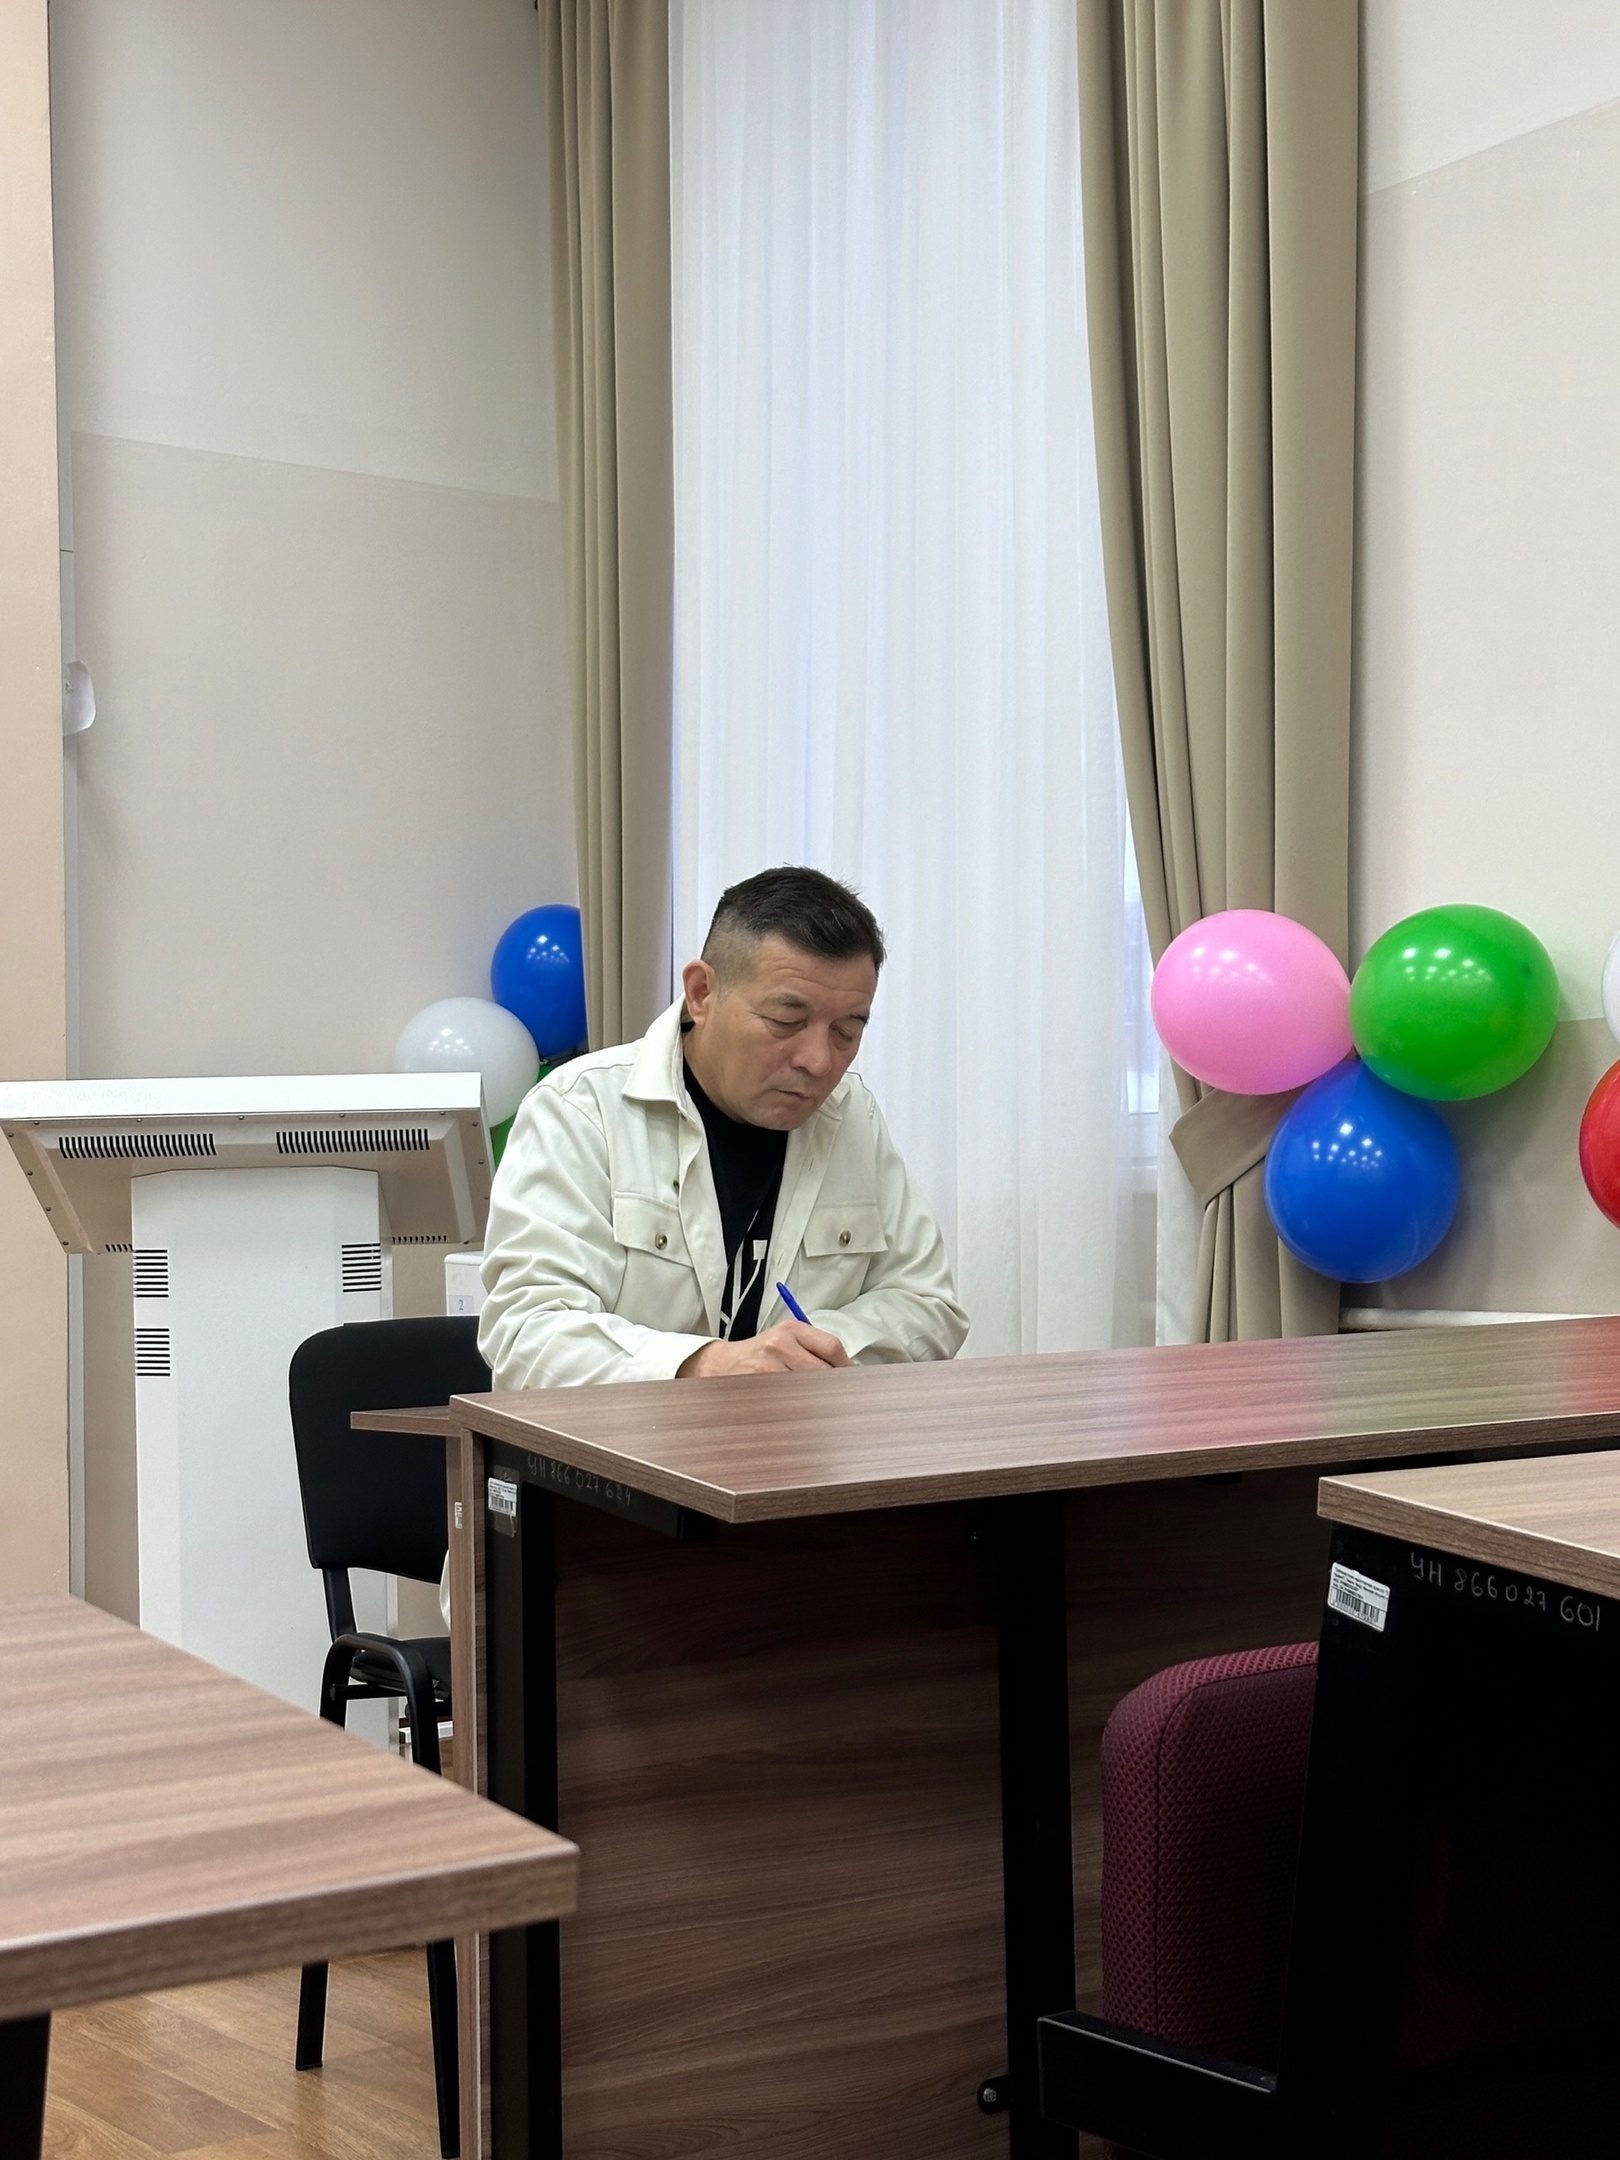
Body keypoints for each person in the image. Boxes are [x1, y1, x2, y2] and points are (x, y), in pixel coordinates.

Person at [478, 865, 969, 1389]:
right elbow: (527, 1333)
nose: (819, 1061)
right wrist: (705, 1364)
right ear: (701, 993)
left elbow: (929, 1306)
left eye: (846, 1031)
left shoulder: (851, 1115)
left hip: (799, 1438)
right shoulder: (583, 1109)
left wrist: (807, 1350)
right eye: (786, 1022)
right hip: (628, 1438)